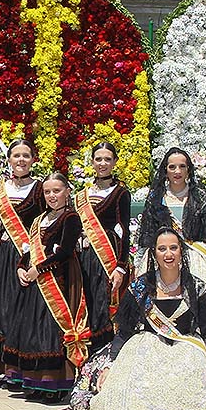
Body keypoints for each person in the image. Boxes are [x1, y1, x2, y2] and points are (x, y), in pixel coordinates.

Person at [59, 228, 206, 410]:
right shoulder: (140, 287)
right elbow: (124, 332)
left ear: (182, 251)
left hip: (186, 351)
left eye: (173, 248)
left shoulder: (197, 288)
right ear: (154, 253)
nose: (168, 254)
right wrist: (111, 364)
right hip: (147, 349)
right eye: (162, 249)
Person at [5, 172, 98, 403]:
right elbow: (28, 250)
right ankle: (35, 381)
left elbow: (66, 252)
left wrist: (39, 269)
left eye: (57, 191)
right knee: (33, 331)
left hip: (59, 280)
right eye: (47, 192)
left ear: (67, 191)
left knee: (51, 331)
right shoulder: (39, 220)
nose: (52, 196)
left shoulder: (70, 218)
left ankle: (54, 383)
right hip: (36, 282)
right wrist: (20, 267)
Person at [0, 139, 43, 391]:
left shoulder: (40, 189)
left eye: (26, 155)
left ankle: (18, 368)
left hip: (23, 257)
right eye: (16, 155)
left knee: (19, 310)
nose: (21, 160)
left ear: (33, 159)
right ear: (9, 159)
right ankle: (1, 367)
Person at [135, 147, 206, 315]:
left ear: (188, 170)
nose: (177, 171)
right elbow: (147, 232)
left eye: (182, 166)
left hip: (196, 255)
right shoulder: (156, 197)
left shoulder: (199, 196)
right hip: (163, 256)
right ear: (165, 170)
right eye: (172, 167)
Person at [75, 141, 131, 346]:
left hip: (106, 258)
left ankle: (104, 355)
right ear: (92, 162)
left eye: (108, 159)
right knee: (84, 304)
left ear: (115, 162)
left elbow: (124, 230)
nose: (103, 163)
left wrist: (121, 267)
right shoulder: (83, 195)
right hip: (83, 258)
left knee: (102, 306)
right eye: (98, 159)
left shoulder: (120, 192)